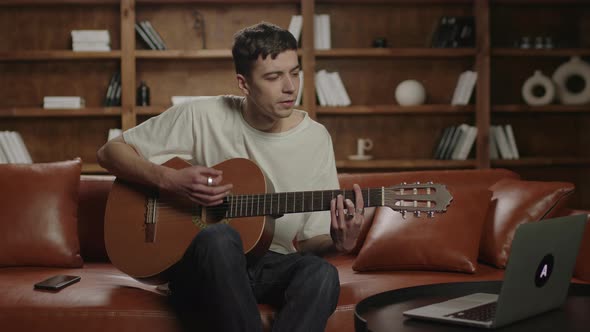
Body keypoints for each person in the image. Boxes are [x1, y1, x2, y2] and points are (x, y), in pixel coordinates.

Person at [97, 22, 370, 332]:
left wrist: (339, 244)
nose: (290, 87)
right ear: (244, 84)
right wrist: (168, 179)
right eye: (273, 77)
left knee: (321, 273)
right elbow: (109, 152)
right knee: (220, 236)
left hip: (270, 266)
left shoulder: (316, 139)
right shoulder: (201, 116)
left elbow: (308, 242)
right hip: (203, 271)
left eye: (294, 73)